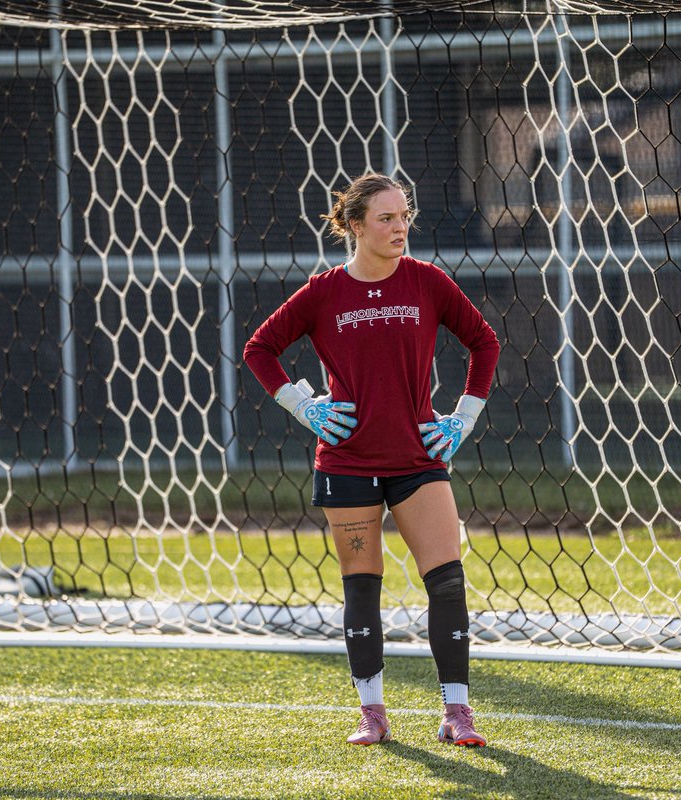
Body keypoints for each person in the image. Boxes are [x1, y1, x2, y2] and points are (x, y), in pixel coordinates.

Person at [243, 173, 500, 747]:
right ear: (355, 225)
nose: (399, 227)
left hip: (417, 457)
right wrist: (304, 406)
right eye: (386, 218)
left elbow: (485, 342)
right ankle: (373, 714)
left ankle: (457, 713)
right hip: (346, 463)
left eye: (404, 215)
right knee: (363, 587)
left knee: (448, 582)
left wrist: (462, 417)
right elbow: (259, 349)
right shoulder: (323, 292)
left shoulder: (427, 282)